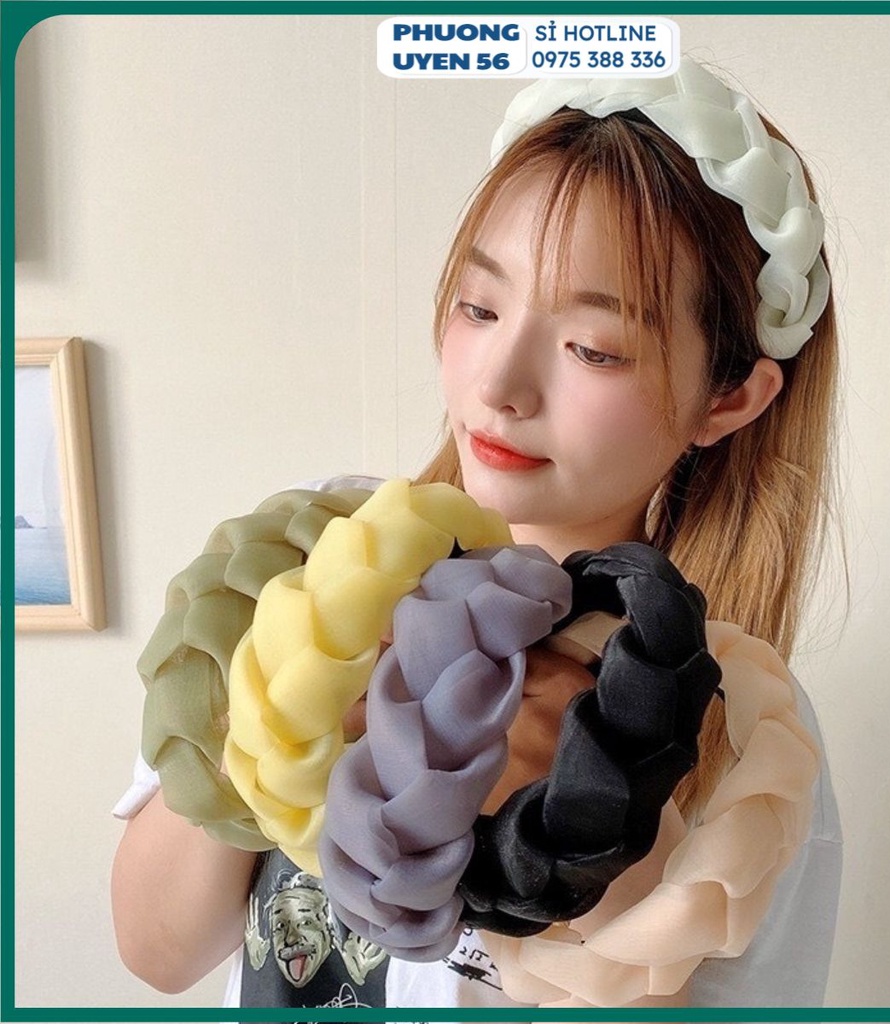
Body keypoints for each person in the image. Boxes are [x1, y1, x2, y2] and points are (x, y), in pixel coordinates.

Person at [111, 58, 843, 1012]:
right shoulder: (310, 556)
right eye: (479, 306)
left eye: (593, 348)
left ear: (729, 396)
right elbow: (157, 953)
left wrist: (609, 835)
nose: (498, 384)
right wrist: (280, 707)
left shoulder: (740, 729)